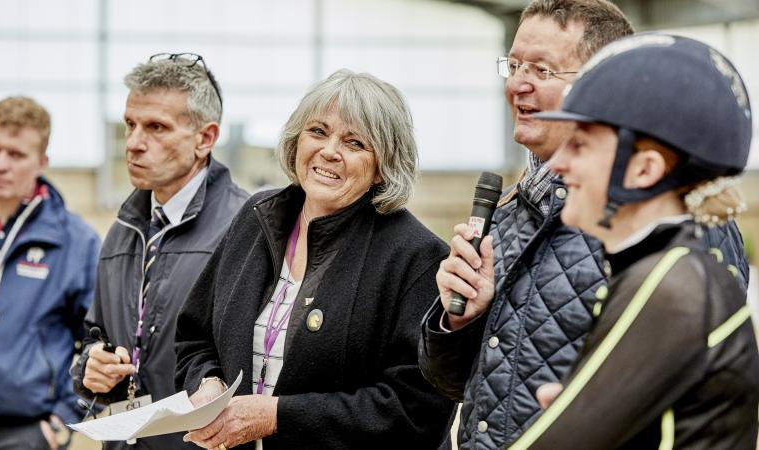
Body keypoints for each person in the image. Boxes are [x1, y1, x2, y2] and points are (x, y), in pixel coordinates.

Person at [417, 1, 749, 448]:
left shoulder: (676, 275)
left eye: (541, 68)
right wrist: (460, 323)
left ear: (644, 169)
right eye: (513, 64)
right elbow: (473, 386)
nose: (517, 81)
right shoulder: (513, 209)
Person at [175, 69, 455, 450]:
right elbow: (194, 335)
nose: (330, 151)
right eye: (318, 132)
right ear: (296, 140)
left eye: (355, 142)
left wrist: (277, 417)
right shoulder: (255, 217)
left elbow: (415, 411)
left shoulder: (416, 257)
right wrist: (207, 382)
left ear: (382, 167)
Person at [508, 33, 759, 449]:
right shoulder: (675, 268)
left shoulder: (669, 286)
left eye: (581, 145)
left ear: (643, 171)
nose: (558, 163)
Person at [71, 53, 248, 449]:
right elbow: (95, 334)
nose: (133, 143)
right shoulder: (122, 230)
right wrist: (91, 367)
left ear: (205, 138)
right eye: (130, 125)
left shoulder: (246, 228)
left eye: (156, 127)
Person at [0, 96, 100, 449]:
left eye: (16, 155)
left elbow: (100, 341)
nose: (0, 165)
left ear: (42, 162)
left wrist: (64, 419)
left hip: (25, 435)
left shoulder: (76, 242)